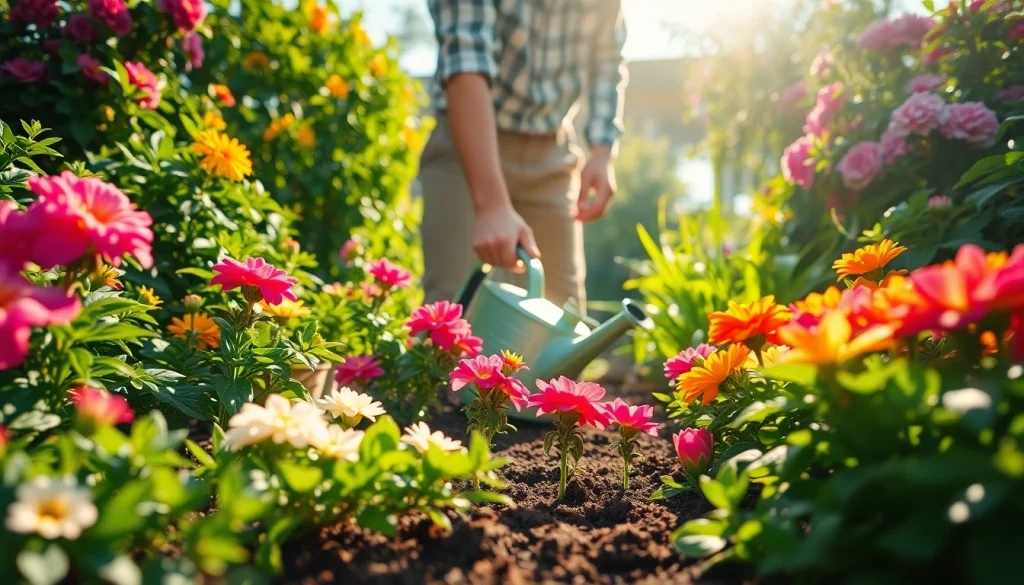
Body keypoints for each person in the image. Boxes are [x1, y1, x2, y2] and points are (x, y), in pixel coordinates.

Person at [419, 0, 628, 310]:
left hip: (552, 151)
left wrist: (601, 149)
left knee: (564, 313)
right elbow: (466, 61)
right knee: (452, 310)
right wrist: (490, 206)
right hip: (467, 143)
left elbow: (608, 55)